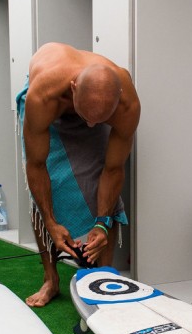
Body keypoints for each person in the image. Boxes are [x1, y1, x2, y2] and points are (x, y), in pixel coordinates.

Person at [17, 42, 141, 307]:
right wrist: (50, 222)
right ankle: (51, 280)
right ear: (74, 89)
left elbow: (113, 169)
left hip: (90, 102)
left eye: (99, 121)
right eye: (87, 118)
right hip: (54, 102)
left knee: (101, 185)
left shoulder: (127, 104)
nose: (91, 126)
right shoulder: (42, 96)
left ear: (118, 96)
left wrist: (101, 222)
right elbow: (37, 166)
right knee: (53, 186)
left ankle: (102, 276)